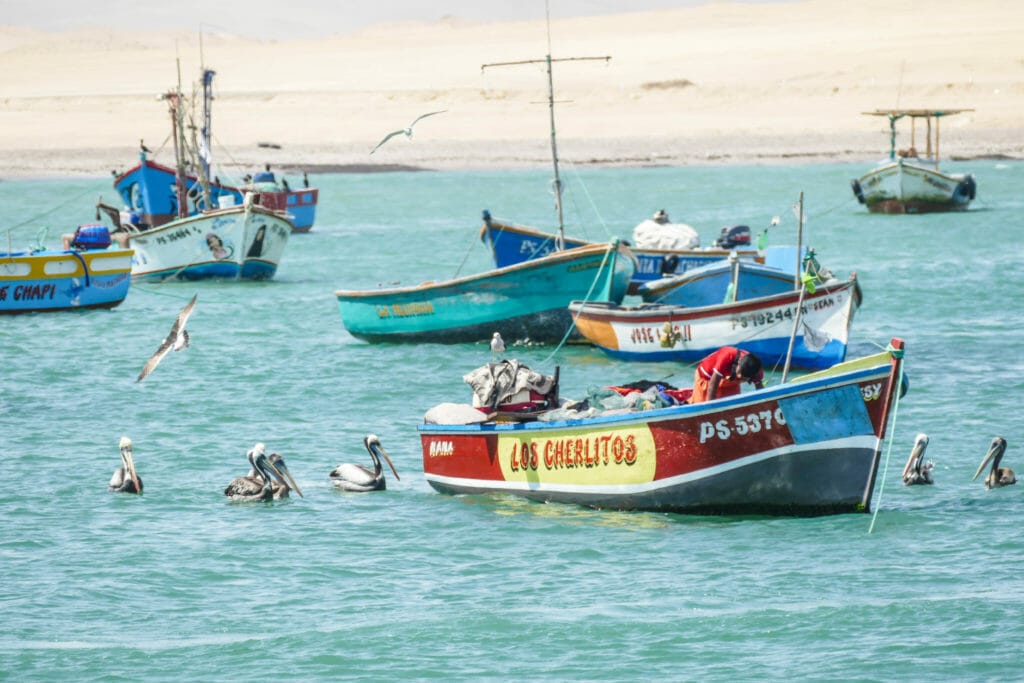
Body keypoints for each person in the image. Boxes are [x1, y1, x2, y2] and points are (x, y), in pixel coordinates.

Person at [689, 346, 764, 404]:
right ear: (739, 362)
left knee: (734, 407)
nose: (738, 377)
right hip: (707, 379)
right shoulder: (727, 356)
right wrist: (711, 410)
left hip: (728, 381)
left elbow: (761, 393)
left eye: (743, 378)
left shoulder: (756, 370)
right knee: (703, 409)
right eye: (738, 373)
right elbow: (712, 386)